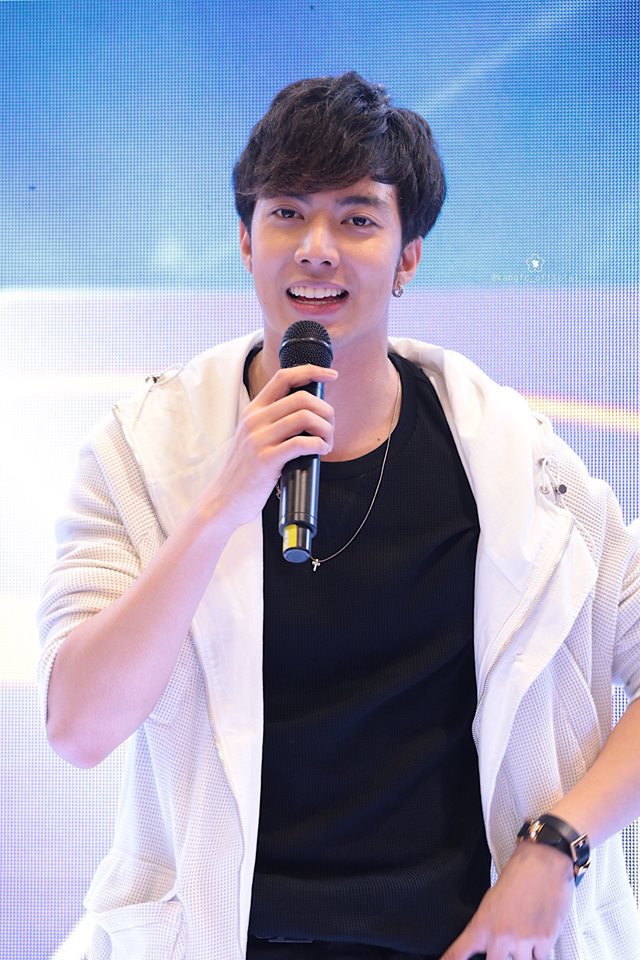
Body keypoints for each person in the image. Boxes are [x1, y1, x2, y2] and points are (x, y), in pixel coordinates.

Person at [38, 72, 640, 960]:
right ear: (246, 241)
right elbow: (79, 729)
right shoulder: (142, 454)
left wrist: (559, 845)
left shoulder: (516, 463)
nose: (316, 249)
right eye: (287, 213)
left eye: (357, 219)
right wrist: (219, 507)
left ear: (407, 258)